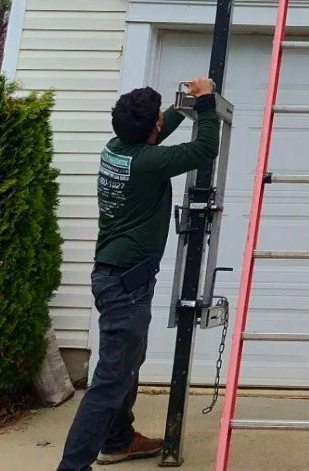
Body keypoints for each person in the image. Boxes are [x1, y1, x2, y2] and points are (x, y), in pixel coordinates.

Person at [57, 78, 221, 469]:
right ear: (153, 130)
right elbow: (205, 149)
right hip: (126, 285)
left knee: (128, 363)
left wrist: (183, 105)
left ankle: (118, 441)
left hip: (115, 277)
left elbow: (154, 130)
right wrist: (206, 102)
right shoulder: (149, 163)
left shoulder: (115, 149)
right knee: (110, 382)